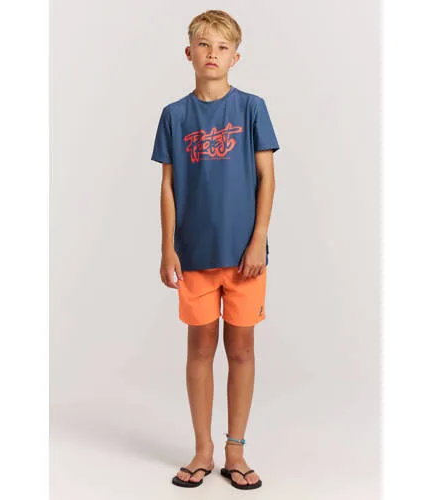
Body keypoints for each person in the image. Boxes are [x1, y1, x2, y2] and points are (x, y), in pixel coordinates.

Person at [150, 9, 279, 490]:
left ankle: (235, 450)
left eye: (223, 48)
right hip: (195, 255)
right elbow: (168, 186)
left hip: (245, 258)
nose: (212, 54)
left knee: (241, 349)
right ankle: (202, 449)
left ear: (235, 58)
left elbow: (266, 177)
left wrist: (258, 238)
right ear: (189, 52)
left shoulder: (252, 108)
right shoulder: (174, 115)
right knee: (200, 348)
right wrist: (168, 248)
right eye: (204, 45)